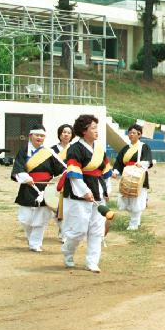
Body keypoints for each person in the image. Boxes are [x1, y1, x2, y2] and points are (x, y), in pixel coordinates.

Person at [62, 115, 113, 272]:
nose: (96, 131)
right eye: (93, 128)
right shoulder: (74, 149)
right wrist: (84, 191)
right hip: (79, 194)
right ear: (84, 131)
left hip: (97, 191)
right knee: (79, 230)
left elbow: (105, 171)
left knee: (97, 230)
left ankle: (92, 261)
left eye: (96, 128)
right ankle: (68, 252)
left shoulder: (99, 149)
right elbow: (74, 173)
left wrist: (106, 190)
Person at [11, 127, 65, 252]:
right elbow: (18, 168)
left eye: (42, 136)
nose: (39, 138)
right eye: (37, 135)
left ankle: (36, 243)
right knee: (25, 219)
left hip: (45, 188)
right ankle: (31, 239)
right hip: (27, 186)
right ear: (31, 135)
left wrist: (59, 179)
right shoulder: (23, 151)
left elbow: (62, 168)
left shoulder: (49, 152)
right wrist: (25, 177)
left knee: (41, 217)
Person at [112, 124, 154, 230]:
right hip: (127, 175)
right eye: (130, 132)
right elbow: (119, 161)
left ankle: (134, 223)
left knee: (137, 199)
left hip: (138, 175)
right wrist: (116, 171)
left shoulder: (144, 146)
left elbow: (148, 159)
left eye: (134, 132)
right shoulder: (126, 148)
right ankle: (136, 220)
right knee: (127, 198)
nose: (131, 134)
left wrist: (142, 164)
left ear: (139, 134)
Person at [50, 123, 74, 241]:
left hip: (71, 181)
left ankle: (65, 231)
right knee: (57, 208)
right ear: (59, 134)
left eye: (69, 132)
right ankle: (62, 229)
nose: (66, 134)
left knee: (69, 207)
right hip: (57, 182)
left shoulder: (75, 149)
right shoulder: (52, 150)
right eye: (64, 132)